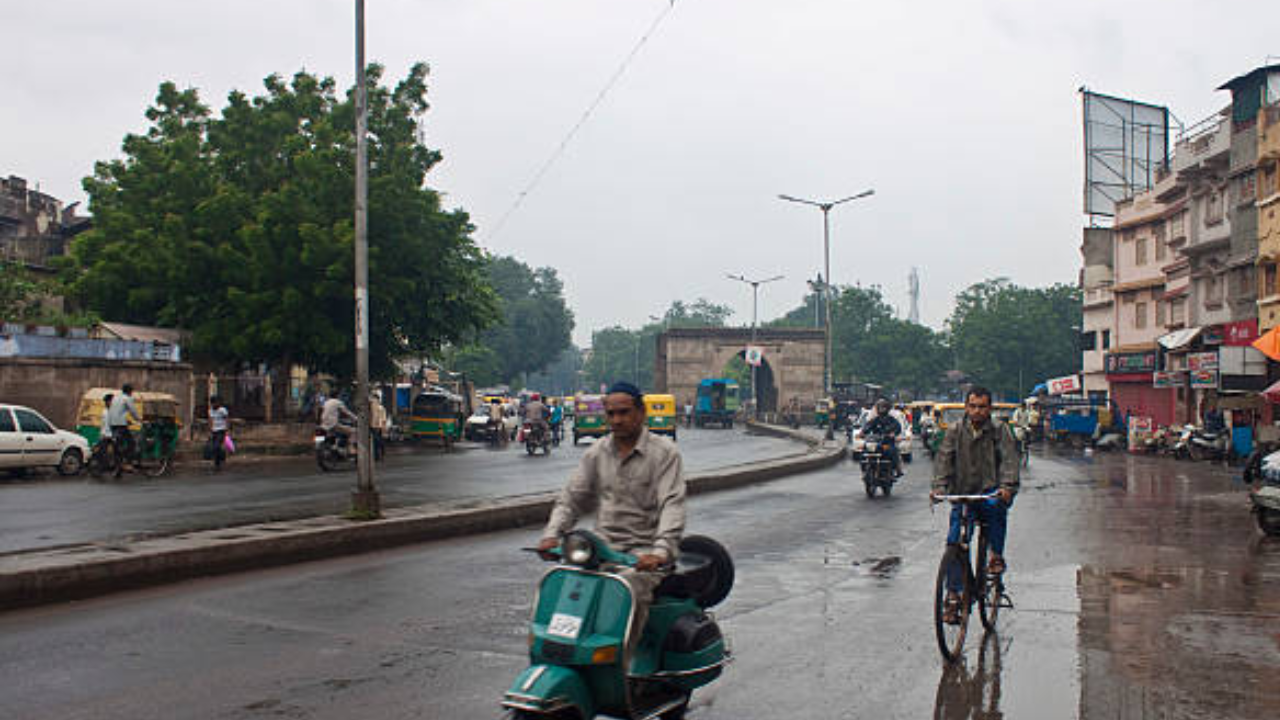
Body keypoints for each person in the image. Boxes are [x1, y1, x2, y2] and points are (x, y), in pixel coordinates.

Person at [536, 381, 686, 662]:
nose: (617, 420)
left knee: (627, 590)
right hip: (601, 552)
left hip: (642, 556)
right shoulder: (596, 453)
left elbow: (672, 505)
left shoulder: (664, 453)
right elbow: (572, 498)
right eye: (611, 413)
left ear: (641, 413)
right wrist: (553, 534)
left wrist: (660, 551)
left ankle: (622, 667)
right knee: (567, 588)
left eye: (625, 412)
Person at [931, 386, 1020, 624]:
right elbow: (944, 461)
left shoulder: (1000, 431)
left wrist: (1007, 487)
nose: (977, 411)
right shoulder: (955, 431)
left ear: (989, 408)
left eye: (982, 407)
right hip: (963, 494)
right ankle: (954, 594)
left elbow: (1010, 461)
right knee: (954, 541)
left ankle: (995, 555)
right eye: (972, 406)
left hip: (991, 492)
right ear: (966, 407)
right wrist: (939, 488)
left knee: (995, 511)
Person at [857, 398, 904, 476]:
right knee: (864, 450)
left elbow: (898, 428)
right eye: (880, 407)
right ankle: (865, 468)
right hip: (876, 442)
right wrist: (862, 433)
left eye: (883, 407)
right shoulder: (875, 420)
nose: (881, 409)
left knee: (893, 451)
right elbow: (868, 427)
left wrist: (893, 433)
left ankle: (898, 469)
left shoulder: (891, 420)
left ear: (887, 408)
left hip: (887, 443)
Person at [107, 384, 142, 477]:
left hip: (113, 425)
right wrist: (139, 419)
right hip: (121, 425)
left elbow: (113, 411)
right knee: (132, 443)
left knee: (117, 446)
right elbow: (133, 411)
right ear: (130, 391)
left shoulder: (115, 398)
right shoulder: (127, 399)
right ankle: (127, 462)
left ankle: (118, 469)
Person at [208, 395, 230, 470]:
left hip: (221, 430)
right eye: (212, 403)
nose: (214, 404)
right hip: (214, 431)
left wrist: (227, 430)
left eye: (215, 403)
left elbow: (226, 420)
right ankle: (217, 462)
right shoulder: (210, 411)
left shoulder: (222, 410)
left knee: (217, 446)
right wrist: (210, 431)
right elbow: (210, 421)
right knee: (215, 447)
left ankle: (220, 460)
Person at [370, 390, 389, 460]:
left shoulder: (381, 408)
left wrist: (384, 428)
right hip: (376, 426)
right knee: (377, 441)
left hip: (378, 426)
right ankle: (379, 454)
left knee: (377, 441)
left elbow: (383, 419)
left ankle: (379, 455)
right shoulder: (373, 407)